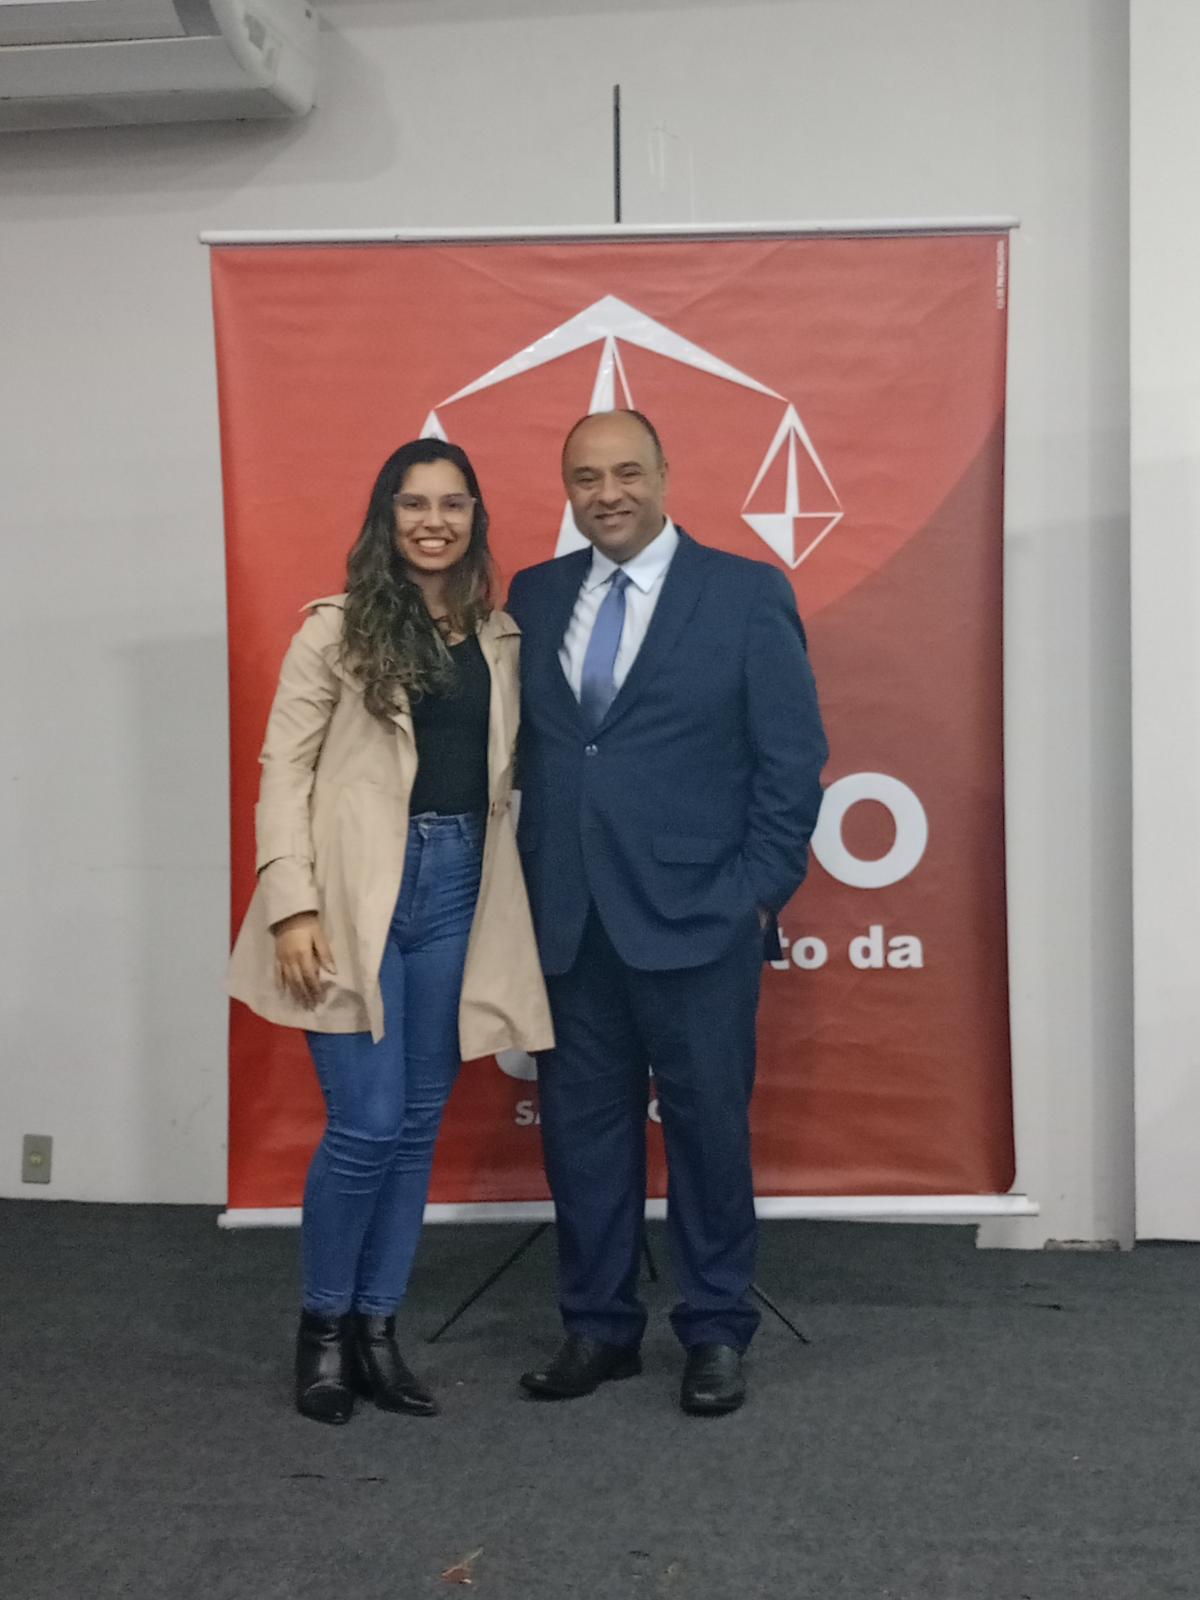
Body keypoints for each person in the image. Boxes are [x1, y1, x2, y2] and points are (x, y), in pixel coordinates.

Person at [505, 409, 827, 1416]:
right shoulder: (534, 594)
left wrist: (754, 893)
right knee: (581, 1135)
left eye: (627, 472)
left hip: (699, 919)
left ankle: (717, 1326)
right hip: (568, 920)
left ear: (664, 474)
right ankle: (598, 1326)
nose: (608, 493)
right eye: (586, 476)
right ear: (568, 488)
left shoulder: (744, 592)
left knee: (707, 1134)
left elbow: (791, 760)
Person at [228, 439, 552, 1426]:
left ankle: (377, 1329)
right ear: (386, 516)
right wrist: (291, 902)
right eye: (414, 503)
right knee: (365, 1125)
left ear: (475, 517)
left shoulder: (501, 637)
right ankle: (322, 1331)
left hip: (461, 889)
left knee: (413, 1125)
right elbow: (283, 771)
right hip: (350, 898)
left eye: (453, 503)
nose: (433, 521)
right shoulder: (334, 631)